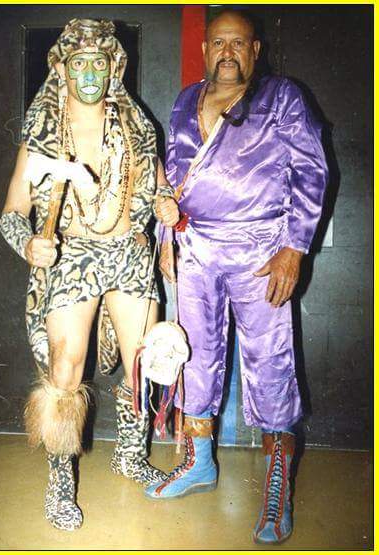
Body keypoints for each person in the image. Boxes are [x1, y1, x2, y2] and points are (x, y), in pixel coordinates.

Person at [148, 9, 328, 545]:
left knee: (271, 362)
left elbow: (312, 170)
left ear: (255, 50)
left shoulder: (282, 97)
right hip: (195, 248)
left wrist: (294, 247)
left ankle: (276, 486)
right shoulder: (185, 100)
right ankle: (199, 462)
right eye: (218, 43)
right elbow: (173, 177)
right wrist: (166, 236)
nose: (227, 52)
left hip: (261, 249)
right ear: (206, 50)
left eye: (238, 43)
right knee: (195, 357)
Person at [0, 18, 169, 531]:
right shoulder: (43, 135)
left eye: (99, 63)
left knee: (144, 362)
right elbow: (12, 212)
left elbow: (162, 188)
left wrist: (164, 203)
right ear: (62, 70)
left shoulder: (139, 127)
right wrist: (29, 243)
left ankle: (131, 455)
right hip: (72, 256)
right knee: (65, 370)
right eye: (80, 64)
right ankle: (60, 481)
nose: (90, 74)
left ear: (114, 68)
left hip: (129, 252)